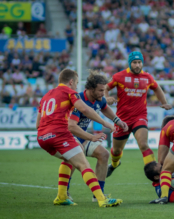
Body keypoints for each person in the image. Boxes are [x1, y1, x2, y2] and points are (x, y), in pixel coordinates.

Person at [36, 68, 122, 207]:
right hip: (60, 134)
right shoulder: (71, 93)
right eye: (76, 83)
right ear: (71, 82)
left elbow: (37, 124)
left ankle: (62, 196)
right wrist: (105, 124)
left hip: (43, 137)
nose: (76, 86)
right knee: (83, 164)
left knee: (70, 158)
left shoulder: (46, 96)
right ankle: (101, 199)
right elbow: (85, 110)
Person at [105, 51, 172, 177]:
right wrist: (107, 97)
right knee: (116, 151)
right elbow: (105, 88)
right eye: (134, 63)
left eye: (139, 62)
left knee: (143, 144)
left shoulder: (147, 77)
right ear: (130, 63)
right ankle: (114, 164)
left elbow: (157, 88)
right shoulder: (119, 76)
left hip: (139, 117)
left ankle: (155, 173)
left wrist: (164, 102)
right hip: (122, 120)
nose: (137, 65)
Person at [67, 70, 128, 202]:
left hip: (82, 138)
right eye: (100, 90)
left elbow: (105, 107)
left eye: (104, 90)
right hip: (69, 138)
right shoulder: (78, 100)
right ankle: (64, 192)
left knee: (104, 155)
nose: (103, 93)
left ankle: (98, 195)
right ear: (90, 89)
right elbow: (71, 126)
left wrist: (118, 121)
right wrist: (89, 137)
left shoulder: (98, 99)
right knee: (73, 158)